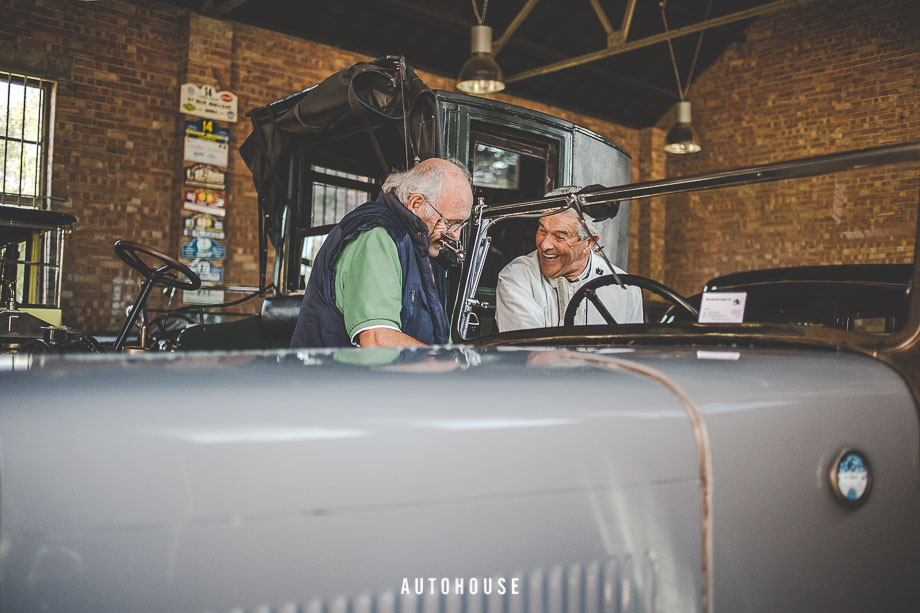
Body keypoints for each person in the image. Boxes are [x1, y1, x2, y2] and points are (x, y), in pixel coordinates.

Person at [290, 158, 473, 348]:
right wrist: (443, 362)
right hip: (330, 368)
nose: (456, 235)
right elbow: (377, 341)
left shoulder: (424, 250)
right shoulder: (377, 236)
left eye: (462, 224)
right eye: (451, 223)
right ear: (416, 204)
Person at [495, 188, 643, 332]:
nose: (545, 245)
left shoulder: (626, 290)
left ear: (589, 243)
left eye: (560, 236)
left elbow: (631, 346)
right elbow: (529, 347)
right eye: (542, 231)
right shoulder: (516, 277)